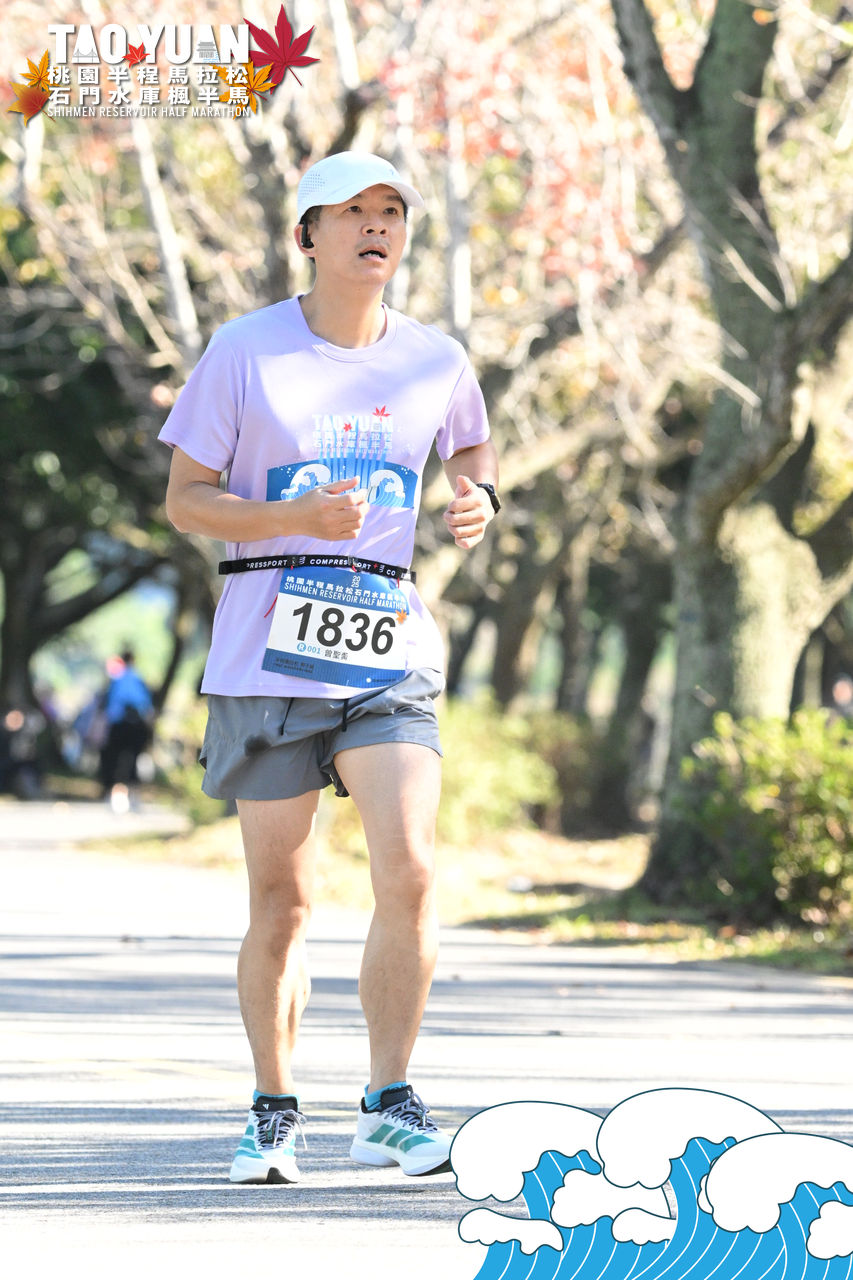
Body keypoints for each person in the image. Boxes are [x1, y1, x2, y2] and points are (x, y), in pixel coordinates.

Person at [159, 150, 500, 1184]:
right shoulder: (244, 350)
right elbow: (186, 498)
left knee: (411, 868)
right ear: (307, 234)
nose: (374, 226)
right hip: (264, 645)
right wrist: (292, 516)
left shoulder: (436, 358)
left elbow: (471, 448)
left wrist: (478, 498)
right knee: (285, 898)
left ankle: (389, 1102)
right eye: (351, 211)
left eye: (390, 211)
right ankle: (272, 1109)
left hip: (385, 639)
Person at [99, 650, 154, 812]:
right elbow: (146, 705)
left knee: (114, 759)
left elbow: (109, 704)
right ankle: (133, 795)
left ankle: (113, 793)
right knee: (134, 759)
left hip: (118, 725)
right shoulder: (139, 678)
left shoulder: (116, 679)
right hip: (136, 726)